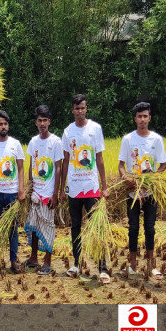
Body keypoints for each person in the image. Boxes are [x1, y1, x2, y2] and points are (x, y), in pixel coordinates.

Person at [59, 94, 110, 283]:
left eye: (82, 108)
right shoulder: (67, 132)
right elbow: (65, 162)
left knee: (97, 227)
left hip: (92, 188)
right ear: (72, 110)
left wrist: (105, 186)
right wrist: (62, 190)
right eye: (76, 108)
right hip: (74, 187)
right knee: (75, 226)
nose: (80, 111)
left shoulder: (95, 129)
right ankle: (76, 263)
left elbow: (100, 159)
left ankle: (103, 267)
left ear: (86, 109)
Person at [118, 102, 166, 280]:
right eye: (139, 116)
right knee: (132, 228)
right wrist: (126, 179)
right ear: (135, 119)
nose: (142, 119)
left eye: (145, 116)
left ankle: (151, 265)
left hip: (150, 192)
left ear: (149, 118)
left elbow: (162, 166)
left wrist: (151, 179)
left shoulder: (156, 139)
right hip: (132, 193)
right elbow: (121, 166)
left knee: (150, 228)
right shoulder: (128, 139)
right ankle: (132, 265)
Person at [24, 105, 63, 275]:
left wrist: (55, 194)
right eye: (39, 120)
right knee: (33, 226)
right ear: (36, 122)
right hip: (35, 192)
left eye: (45, 120)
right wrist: (28, 187)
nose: (42, 123)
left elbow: (59, 169)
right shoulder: (33, 142)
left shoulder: (55, 142)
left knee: (47, 226)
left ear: (49, 122)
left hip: (48, 194)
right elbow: (31, 166)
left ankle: (47, 262)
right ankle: (33, 258)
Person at [0, 111, 26, 274]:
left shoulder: (15, 144)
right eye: (0, 124)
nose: (3, 127)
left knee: (13, 228)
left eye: (5, 124)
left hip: (11, 193)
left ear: (8, 126)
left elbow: (21, 168)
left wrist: (21, 190)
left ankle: (13, 260)